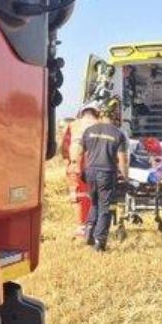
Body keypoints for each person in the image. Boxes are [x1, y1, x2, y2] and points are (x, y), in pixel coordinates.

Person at [78, 100, 129, 251]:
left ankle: (89, 230)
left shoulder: (88, 131)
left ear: (100, 114)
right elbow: (123, 160)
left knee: (94, 202)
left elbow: (79, 153)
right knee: (105, 207)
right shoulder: (118, 134)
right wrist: (125, 177)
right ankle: (100, 241)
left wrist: (82, 170)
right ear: (114, 116)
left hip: (90, 171)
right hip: (106, 173)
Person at [61, 102, 100, 238]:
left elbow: (65, 146)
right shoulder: (101, 125)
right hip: (95, 164)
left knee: (77, 194)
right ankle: (93, 225)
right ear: (97, 112)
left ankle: (80, 226)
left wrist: (68, 162)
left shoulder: (73, 125)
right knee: (93, 195)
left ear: (82, 112)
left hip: (76, 164)